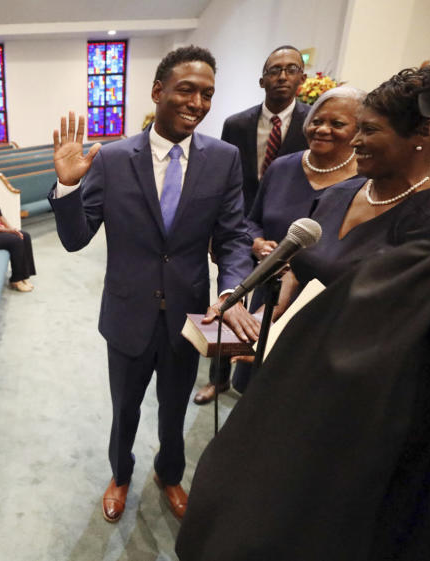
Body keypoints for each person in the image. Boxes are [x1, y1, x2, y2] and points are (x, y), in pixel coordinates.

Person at [177, 6, 430, 559]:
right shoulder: (342, 193)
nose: (349, 142)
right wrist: (270, 324)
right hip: (286, 375)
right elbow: (302, 265)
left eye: (366, 130)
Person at [47, 46, 258, 524]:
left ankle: (170, 473)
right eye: (186, 89)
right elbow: (76, 238)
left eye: (207, 94)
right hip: (126, 313)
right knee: (125, 410)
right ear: (157, 91)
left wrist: (230, 292)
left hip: (189, 313)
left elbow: (233, 237)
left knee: (174, 407)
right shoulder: (114, 158)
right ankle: (120, 476)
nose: (197, 102)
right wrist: (67, 188)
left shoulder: (223, 159)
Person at [196, 85, 366, 403]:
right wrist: (258, 242)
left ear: (359, 130)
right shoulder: (283, 166)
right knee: (254, 382)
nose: (323, 129)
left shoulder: (365, 182)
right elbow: (252, 218)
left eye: (337, 124)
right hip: (268, 284)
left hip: (318, 301)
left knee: (294, 393)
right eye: (317, 120)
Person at [287, 66, 430, 292]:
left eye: (369, 130)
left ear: (424, 134)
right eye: (357, 129)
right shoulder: (337, 194)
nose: (355, 141)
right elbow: (299, 269)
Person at [221, 45, 310, 214]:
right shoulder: (236, 125)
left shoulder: (313, 125)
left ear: (302, 78)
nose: (282, 77)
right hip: (241, 217)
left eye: (291, 69)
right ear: (262, 82)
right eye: (275, 70)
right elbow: (224, 177)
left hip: (291, 218)